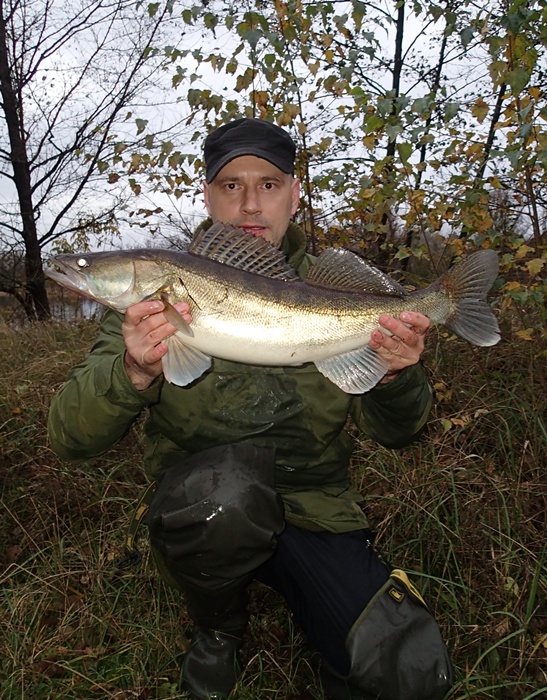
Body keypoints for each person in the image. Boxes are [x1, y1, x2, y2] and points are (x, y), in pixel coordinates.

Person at [48, 118, 452, 700]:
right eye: (231, 185)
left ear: (294, 193)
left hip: (314, 507)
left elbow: (401, 433)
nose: (250, 204)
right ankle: (218, 624)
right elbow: (69, 437)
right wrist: (134, 370)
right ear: (207, 195)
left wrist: (392, 374)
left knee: (405, 675)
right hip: (206, 510)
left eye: (268, 184)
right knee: (227, 496)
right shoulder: (145, 310)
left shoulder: (334, 289)